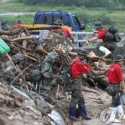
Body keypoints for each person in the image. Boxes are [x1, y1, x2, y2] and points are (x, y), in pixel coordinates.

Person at [69, 57, 92, 124]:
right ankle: (72, 115)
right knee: (75, 98)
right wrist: (87, 64)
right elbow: (88, 71)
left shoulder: (75, 62)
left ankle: (83, 114)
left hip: (76, 82)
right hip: (77, 82)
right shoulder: (79, 63)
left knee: (81, 99)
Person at [106, 55, 125, 124]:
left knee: (117, 101)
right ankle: (111, 118)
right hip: (116, 86)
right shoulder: (118, 68)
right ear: (119, 61)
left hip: (110, 86)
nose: (122, 61)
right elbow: (121, 80)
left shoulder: (112, 66)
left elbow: (107, 76)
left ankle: (122, 115)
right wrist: (123, 89)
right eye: (122, 60)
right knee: (115, 103)